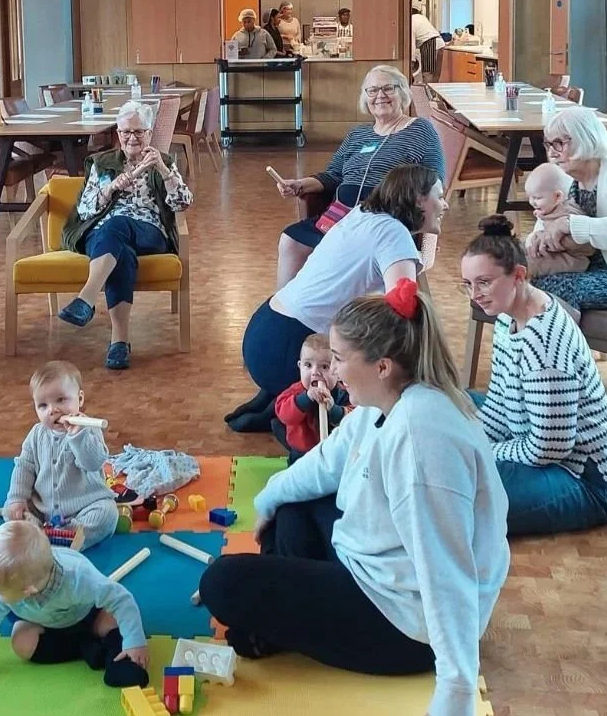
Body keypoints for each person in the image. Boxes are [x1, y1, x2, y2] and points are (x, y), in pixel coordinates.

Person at [201, 281, 509, 716]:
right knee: (292, 502)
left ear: (382, 366)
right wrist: (267, 500)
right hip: (373, 567)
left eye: (340, 359)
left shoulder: (423, 438)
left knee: (221, 583)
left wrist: (456, 689)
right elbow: (325, 461)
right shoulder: (383, 403)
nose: (335, 371)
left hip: (407, 626)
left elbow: (446, 568)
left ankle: (280, 624)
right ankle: (285, 619)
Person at [226, 164, 448, 432]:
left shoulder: (363, 213)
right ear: (419, 199)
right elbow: (402, 311)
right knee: (385, 361)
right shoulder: (394, 233)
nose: (444, 205)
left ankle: (275, 397)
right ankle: (290, 411)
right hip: (288, 347)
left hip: (264, 332)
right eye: (439, 195)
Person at [461, 216, 607, 535]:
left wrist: (478, 450)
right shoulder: (507, 316)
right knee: (448, 401)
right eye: (468, 284)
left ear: (519, 276)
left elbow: (548, 449)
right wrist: (469, 440)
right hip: (532, 438)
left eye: (484, 282)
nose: (475, 294)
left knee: (458, 496)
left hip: (584, 478)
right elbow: (497, 401)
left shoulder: (544, 345)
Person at [0, 520, 149, 689]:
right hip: (46, 626)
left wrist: (134, 642)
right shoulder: (6, 591)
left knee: (112, 619)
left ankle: (118, 658)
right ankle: (85, 648)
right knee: (20, 642)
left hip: (87, 615)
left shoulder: (78, 577)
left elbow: (122, 599)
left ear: (27, 591)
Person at [274, 65, 444, 289]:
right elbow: (333, 175)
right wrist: (300, 184)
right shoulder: (358, 134)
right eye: (372, 91)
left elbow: (435, 181)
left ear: (403, 92)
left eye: (387, 88)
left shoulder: (421, 129)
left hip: (387, 218)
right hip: (341, 216)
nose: (380, 96)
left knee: (344, 250)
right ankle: (288, 308)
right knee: (291, 240)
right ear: (365, 98)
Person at [57, 101, 194, 370]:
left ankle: (86, 298)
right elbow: (85, 210)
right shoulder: (102, 163)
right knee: (120, 249)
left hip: (149, 231)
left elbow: (182, 203)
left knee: (118, 224)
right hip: (103, 234)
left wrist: (164, 173)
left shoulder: (163, 161)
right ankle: (119, 343)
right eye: (125, 132)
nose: (132, 138)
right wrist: (109, 190)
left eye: (138, 132)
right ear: (117, 134)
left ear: (149, 133)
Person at [528, 106, 607, 311]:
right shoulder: (568, 179)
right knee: (517, 283)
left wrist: (570, 225)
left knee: (540, 291)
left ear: (584, 138)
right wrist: (537, 239)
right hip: (584, 267)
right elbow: (545, 222)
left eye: (559, 144)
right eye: (548, 144)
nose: (551, 153)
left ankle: (567, 343)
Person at [3, 362, 118, 550]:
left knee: (108, 514)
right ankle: (41, 533)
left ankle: (62, 537)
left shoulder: (88, 429)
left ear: (79, 399)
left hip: (85, 507)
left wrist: (78, 437)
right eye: (42, 405)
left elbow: (94, 462)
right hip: (43, 509)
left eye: (61, 400)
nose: (52, 410)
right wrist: (18, 498)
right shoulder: (36, 434)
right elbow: (24, 466)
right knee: (10, 511)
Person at [272, 333, 353, 464]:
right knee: (299, 479)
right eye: (308, 365)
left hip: (334, 451)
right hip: (302, 452)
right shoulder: (295, 392)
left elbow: (354, 420)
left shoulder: (345, 393)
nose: (315, 372)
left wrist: (334, 410)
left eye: (325, 367)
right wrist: (305, 398)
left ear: (338, 373)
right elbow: (284, 415)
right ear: (299, 367)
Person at [523, 163, 594, 277]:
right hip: (550, 251)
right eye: (530, 197)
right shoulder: (549, 209)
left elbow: (585, 245)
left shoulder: (569, 213)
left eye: (537, 198)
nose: (532, 202)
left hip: (572, 259)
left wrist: (548, 241)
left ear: (557, 197)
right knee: (516, 252)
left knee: (530, 264)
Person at [411, 9, 444, 80]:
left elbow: (411, 43)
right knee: (435, 76)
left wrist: (412, 61)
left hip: (429, 43)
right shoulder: (421, 17)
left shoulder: (411, 21)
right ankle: (431, 91)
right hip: (440, 43)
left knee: (427, 74)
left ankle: (428, 90)